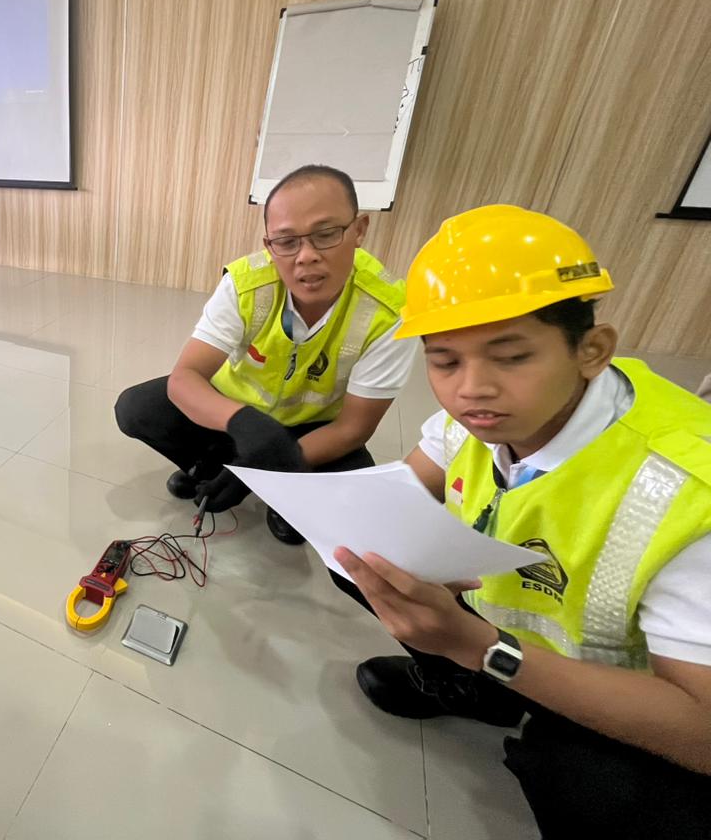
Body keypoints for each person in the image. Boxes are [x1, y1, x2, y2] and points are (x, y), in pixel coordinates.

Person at [331, 205, 711, 836]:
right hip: (503, 633)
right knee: (359, 557)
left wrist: (473, 645)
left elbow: (702, 731)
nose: (471, 389)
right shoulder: (478, 421)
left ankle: (493, 681)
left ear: (592, 350)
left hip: (632, 691)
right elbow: (399, 494)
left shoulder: (688, 493)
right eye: (445, 362)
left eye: (510, 357)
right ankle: (476, 690)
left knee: (579, 780)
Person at [114, 165, 414, 543]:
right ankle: (211, 466)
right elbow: (185, 378)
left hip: (316, 428)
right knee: (138, 408)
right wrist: (241, 423)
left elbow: (354, 428)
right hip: (238, 415)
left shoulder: (389, 312)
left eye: (325, 235)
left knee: (355, 494)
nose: (306, 256)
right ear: (269, 245)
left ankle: (279, 493)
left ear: (359, 230)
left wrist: (263, 469)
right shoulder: (246, 284)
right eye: (287, 241)